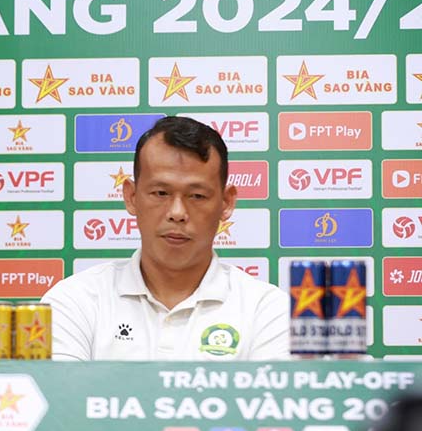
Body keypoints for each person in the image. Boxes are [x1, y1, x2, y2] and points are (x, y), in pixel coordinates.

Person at [42, 115, 288, 360]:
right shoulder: (74, 301)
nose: (177, 213)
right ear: (131, 197)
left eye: (197, 196)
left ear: (226, 203)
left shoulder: (267, 311)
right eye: (160, 193)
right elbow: (61, 397)